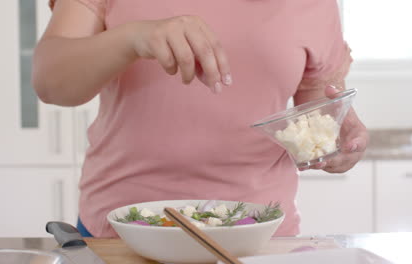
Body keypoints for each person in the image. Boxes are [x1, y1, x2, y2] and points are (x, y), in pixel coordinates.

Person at [33, 0, 369, 237]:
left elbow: (315, 108)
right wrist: (132, 38)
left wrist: (338, 132)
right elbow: (50, 83)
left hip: (258, 232)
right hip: (123, 228)